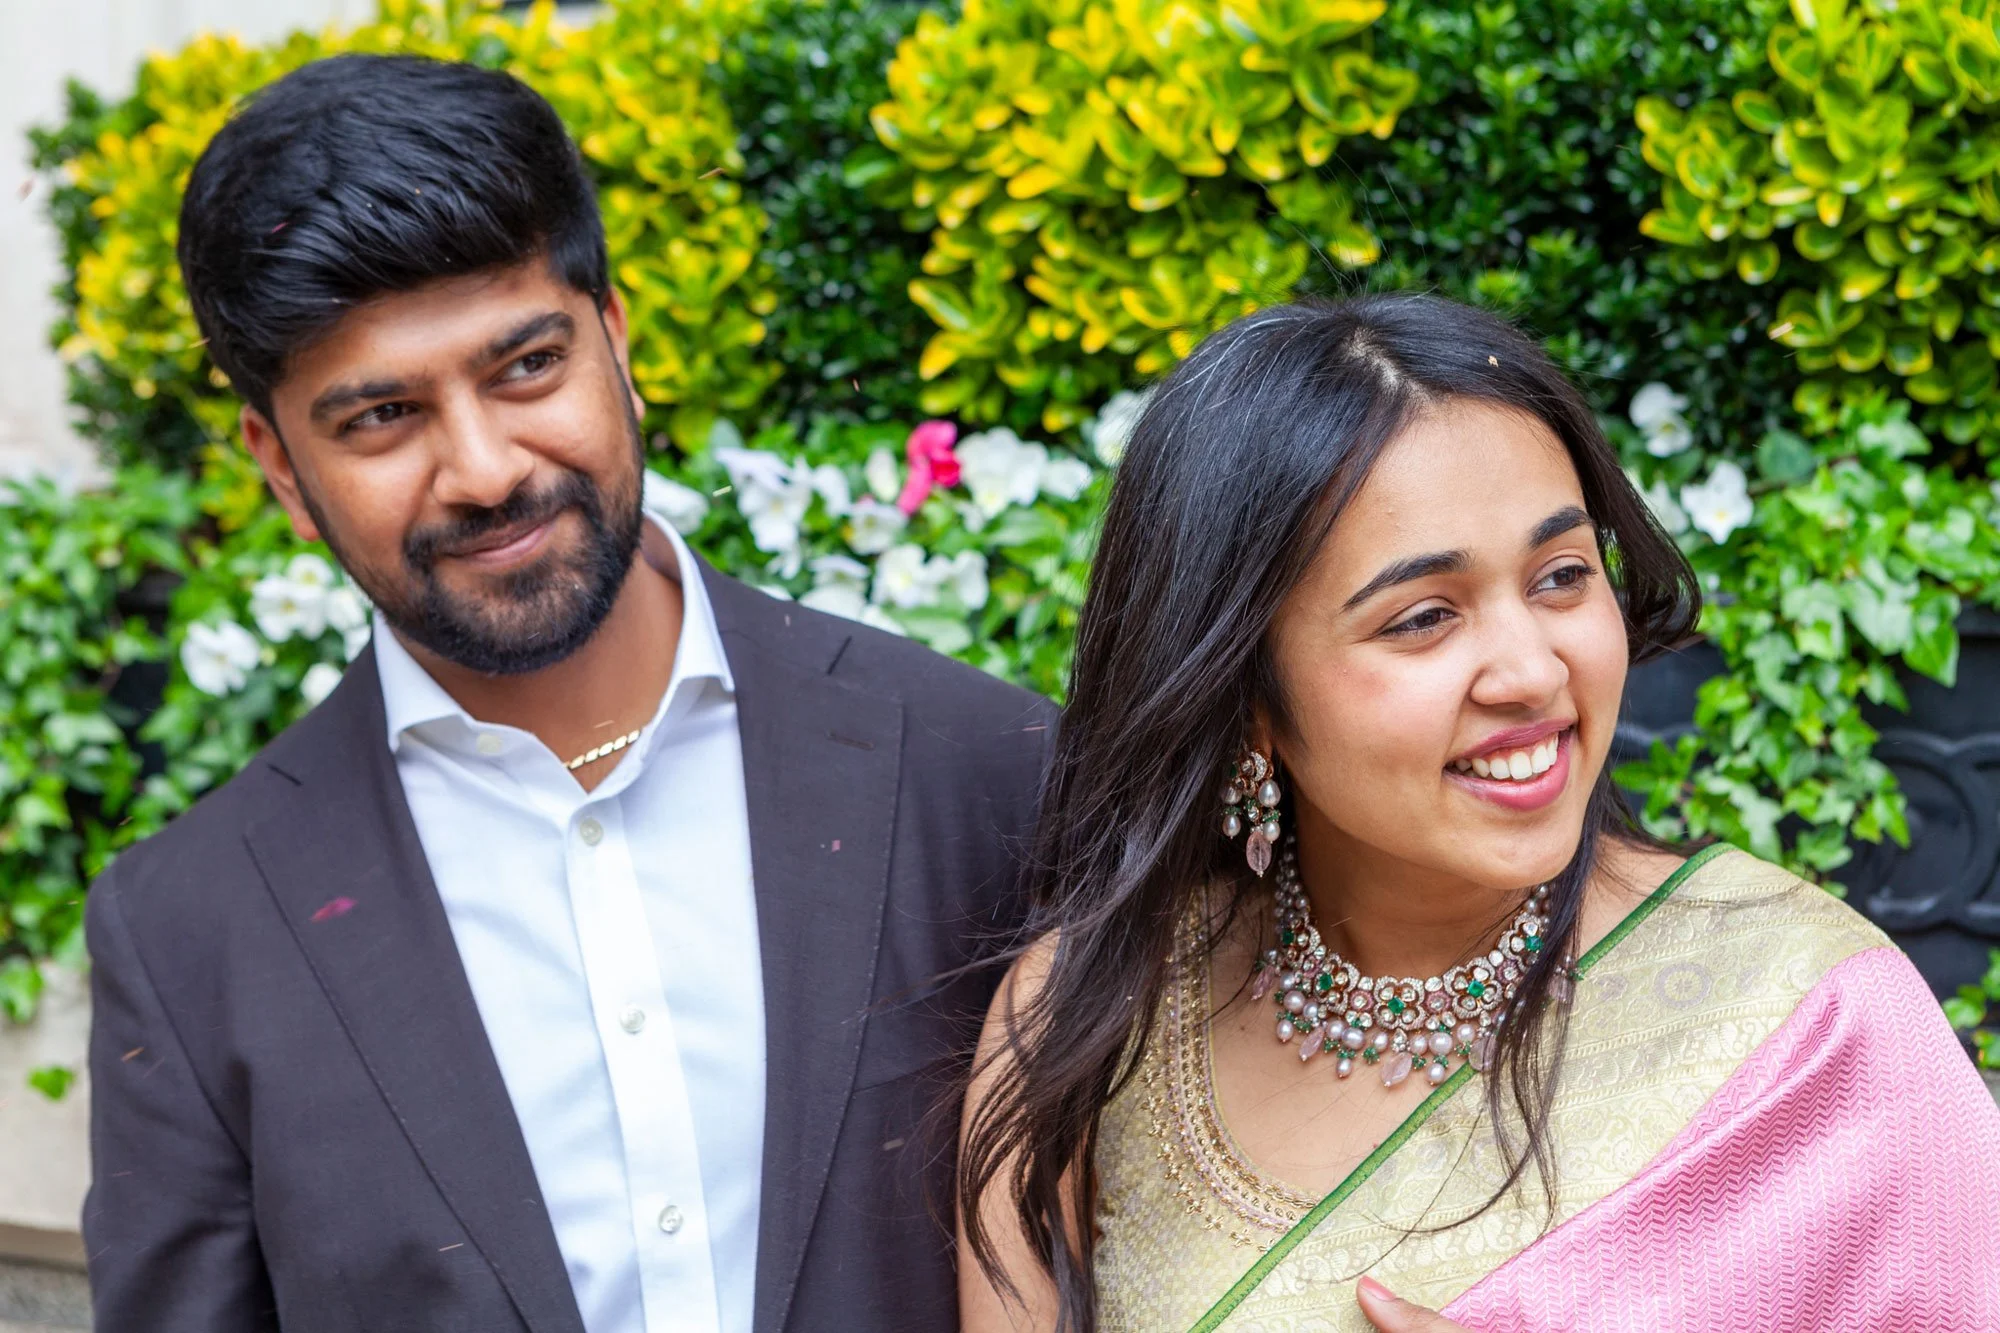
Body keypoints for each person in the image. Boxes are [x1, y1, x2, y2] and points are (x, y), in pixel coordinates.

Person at [82, 54, 1054, 1333]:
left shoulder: (983, 767)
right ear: (279, 468)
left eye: (527, 366)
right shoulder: (189, 932)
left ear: (616, 341)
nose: (485, 469)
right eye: (381, 416)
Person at [957, 294, 2000, 1333]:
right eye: (1422, 617)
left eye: (1561, 576)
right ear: (1245, 700)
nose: (1532, 670)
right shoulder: (1099, 1016)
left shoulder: (1814, 1022)